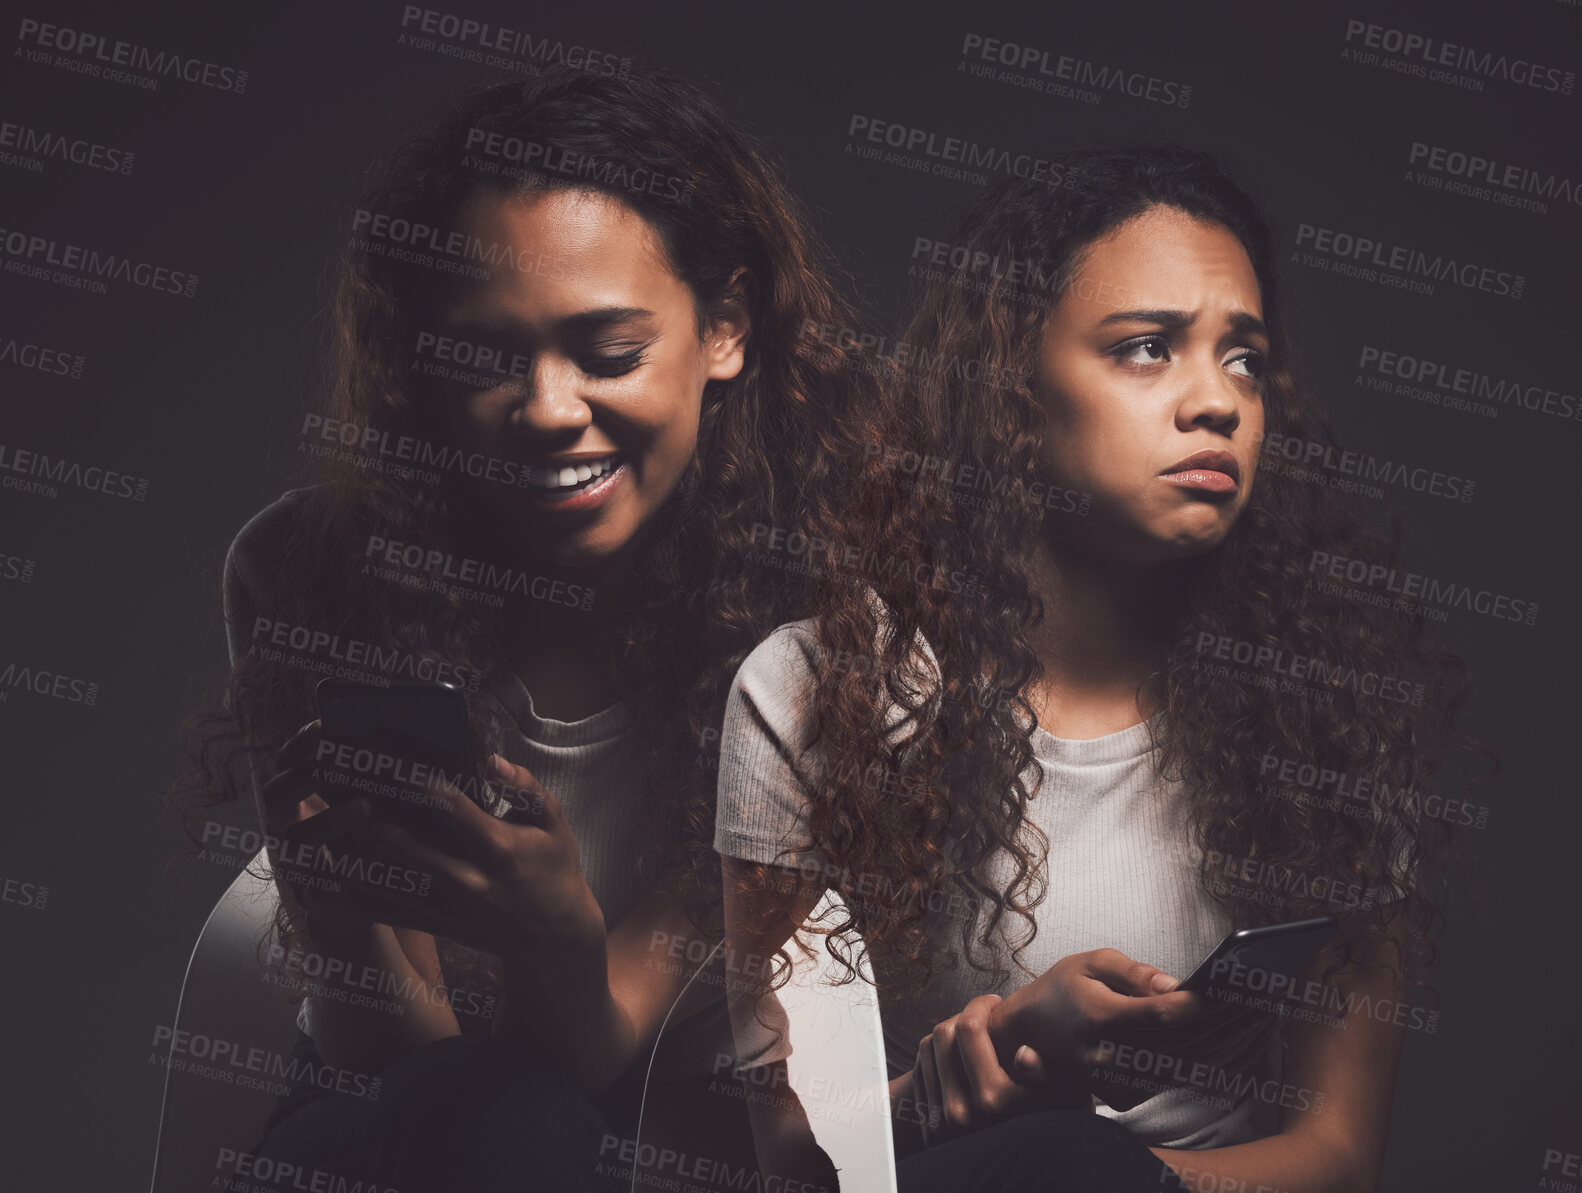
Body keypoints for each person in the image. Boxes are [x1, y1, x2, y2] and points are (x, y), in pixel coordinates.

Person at [713, 144, 1490, 1192]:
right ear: (1014, 393)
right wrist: (963, 1091)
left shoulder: (1329, 717)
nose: (1216, 400)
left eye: (1244, 359)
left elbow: (1337, 1156)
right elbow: (786, 1160)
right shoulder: (816, 690)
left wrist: (1110, 1177)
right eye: (1146, 349)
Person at [170, 61, 873, 1193]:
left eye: (607, 353)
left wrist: (554, 937)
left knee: (525, 1122)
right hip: (395, 1117)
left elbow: (602, 1049)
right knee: (484, 1118)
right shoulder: (305, 571)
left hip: (673, 1126)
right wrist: (339, 908)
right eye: (491, 360)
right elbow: (382, 1050)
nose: (549, 411)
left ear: (726, 327)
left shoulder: (821, 638)